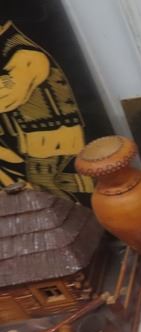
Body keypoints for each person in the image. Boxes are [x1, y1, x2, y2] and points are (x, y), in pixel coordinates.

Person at [0, 20, 92, 200]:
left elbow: (9, 94)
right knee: (41, 182)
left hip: (52, 137)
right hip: (33, 138)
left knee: (45, 185)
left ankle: (80, 200)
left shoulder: (25, 54)